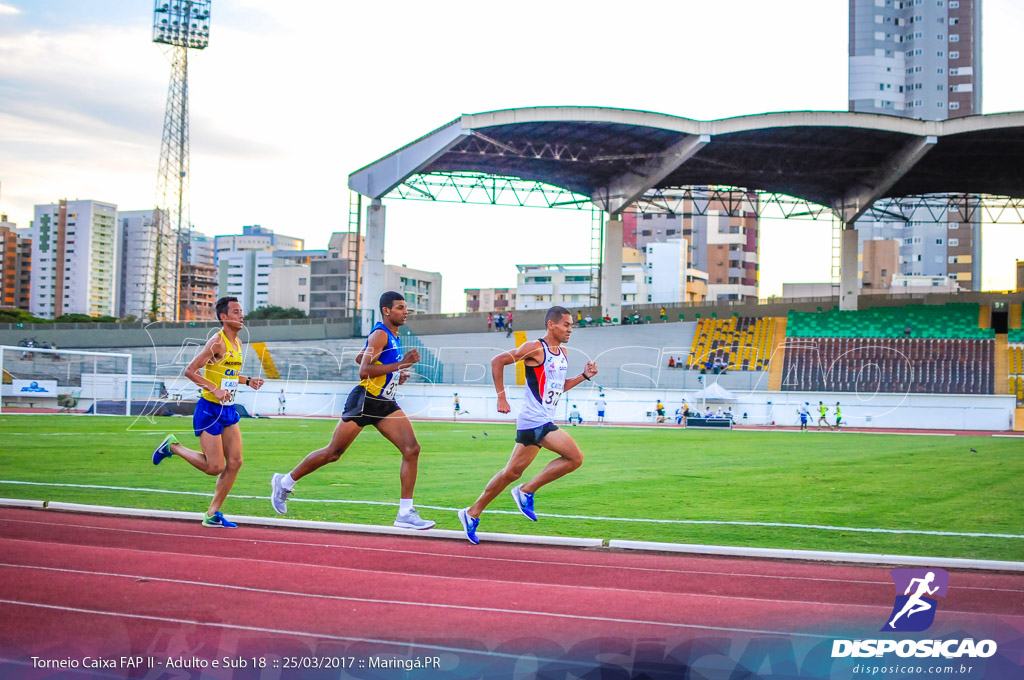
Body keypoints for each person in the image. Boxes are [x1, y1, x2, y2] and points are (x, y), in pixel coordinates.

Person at [269, 292, 434, 530]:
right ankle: (284, 482)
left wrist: (395, 374)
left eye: (405, 307)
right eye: (400, 307)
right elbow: (364, 370)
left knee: (412, 449)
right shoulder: (380, 334)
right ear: (386, 311)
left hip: (384, 403)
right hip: (364, 401)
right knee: (333, 453)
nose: (405, 311)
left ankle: (405, 513)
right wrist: (401, 364)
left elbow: (361, 357)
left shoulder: (392, 337)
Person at [457, 305, 598, 545]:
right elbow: (497, 361)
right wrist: (501, 396)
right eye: (566, 324)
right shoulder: (534, 348)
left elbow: (558, 387)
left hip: (542, 419)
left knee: (511, 473)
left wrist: (583, 377)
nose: (570, 329)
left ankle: (471, 513)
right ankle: (526, 491)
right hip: (535, 419)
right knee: (575, 458)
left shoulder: (562, 354)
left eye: (571, 325)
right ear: (551, 325)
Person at [151, 296, 265, 528]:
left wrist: (248, 380)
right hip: (209, 409)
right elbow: (191, 371)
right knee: (215, 467)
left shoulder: (238, 344)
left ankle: (213, 513)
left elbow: (227, 375)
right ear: (224, 317)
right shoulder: (217, 342)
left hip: (228, 408)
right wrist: (215, 389)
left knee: (235, 462)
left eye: (241, 311)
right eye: (235, 312)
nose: (241, 315)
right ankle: (172, 447)